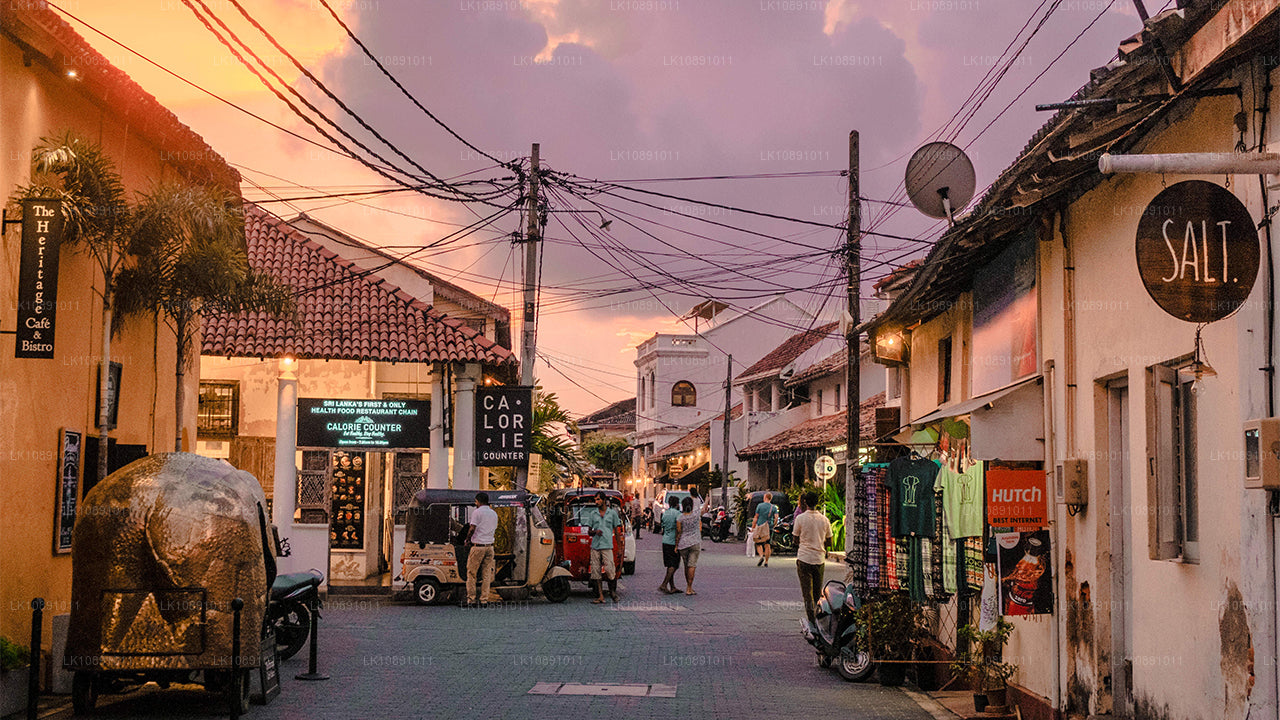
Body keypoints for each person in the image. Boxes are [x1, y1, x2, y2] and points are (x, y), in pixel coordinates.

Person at [793, 490, 833, 627]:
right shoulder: (824, 520)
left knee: (807, 593)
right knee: (817, 592)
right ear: (818, 503)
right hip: (819, 559)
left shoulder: (800, 519)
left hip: (804, 558)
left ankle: (812, 621)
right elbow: (829, 542)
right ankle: (818, 618)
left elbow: (795, 539)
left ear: (805, 502)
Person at [584, 492, 623, 603]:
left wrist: (619, 548)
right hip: (595, 546)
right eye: (595, 500)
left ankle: (612, 592)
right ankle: (600, 596)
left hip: (607, 545)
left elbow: (617, 531)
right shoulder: (593, 514)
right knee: (596, 572)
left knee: (610, 569)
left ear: (604, 500)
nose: (596, 502)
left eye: (598, 499)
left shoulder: (612, 513)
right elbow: (589, 532)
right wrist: (595, 532)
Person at [464, 492, 498, 608]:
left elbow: (472, 528)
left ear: (478, 501)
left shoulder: (477, 512)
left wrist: (467, 539)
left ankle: (471, 599)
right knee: (486, 574)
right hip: (490, 547)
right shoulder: (494, 513)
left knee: (471, 573)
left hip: (478, 546)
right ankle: (484, 600)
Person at [674, 496, 701, 595]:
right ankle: (689, 587)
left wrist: (676, 545)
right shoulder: (696, 515)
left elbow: (678, 532)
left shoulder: (680, 518)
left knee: (686, 565)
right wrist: (706, 500)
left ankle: (688, 586)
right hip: (695, 542)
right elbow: (704, 509)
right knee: (692, 565)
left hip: (683, 544)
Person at [657, 494, 683, 594]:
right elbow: (679, 529)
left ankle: (672, 586)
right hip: (673, 541)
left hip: (665, 540)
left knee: (669, 564)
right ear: (677, 504)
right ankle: (664, 584)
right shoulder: (678, 514)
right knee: (674, 565)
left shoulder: (665, 513)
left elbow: (662, 526)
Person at [751, 492, 780, 567]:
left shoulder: (760, 506)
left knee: (758, 543)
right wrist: (773, 525)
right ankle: (766, 562)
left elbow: (756, 516)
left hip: (760, 526)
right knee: (767, 544)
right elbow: (776, 517)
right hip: (769, 527)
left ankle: (761, 556)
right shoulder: (773, 507)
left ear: (765, 497)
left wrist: (753, 526)